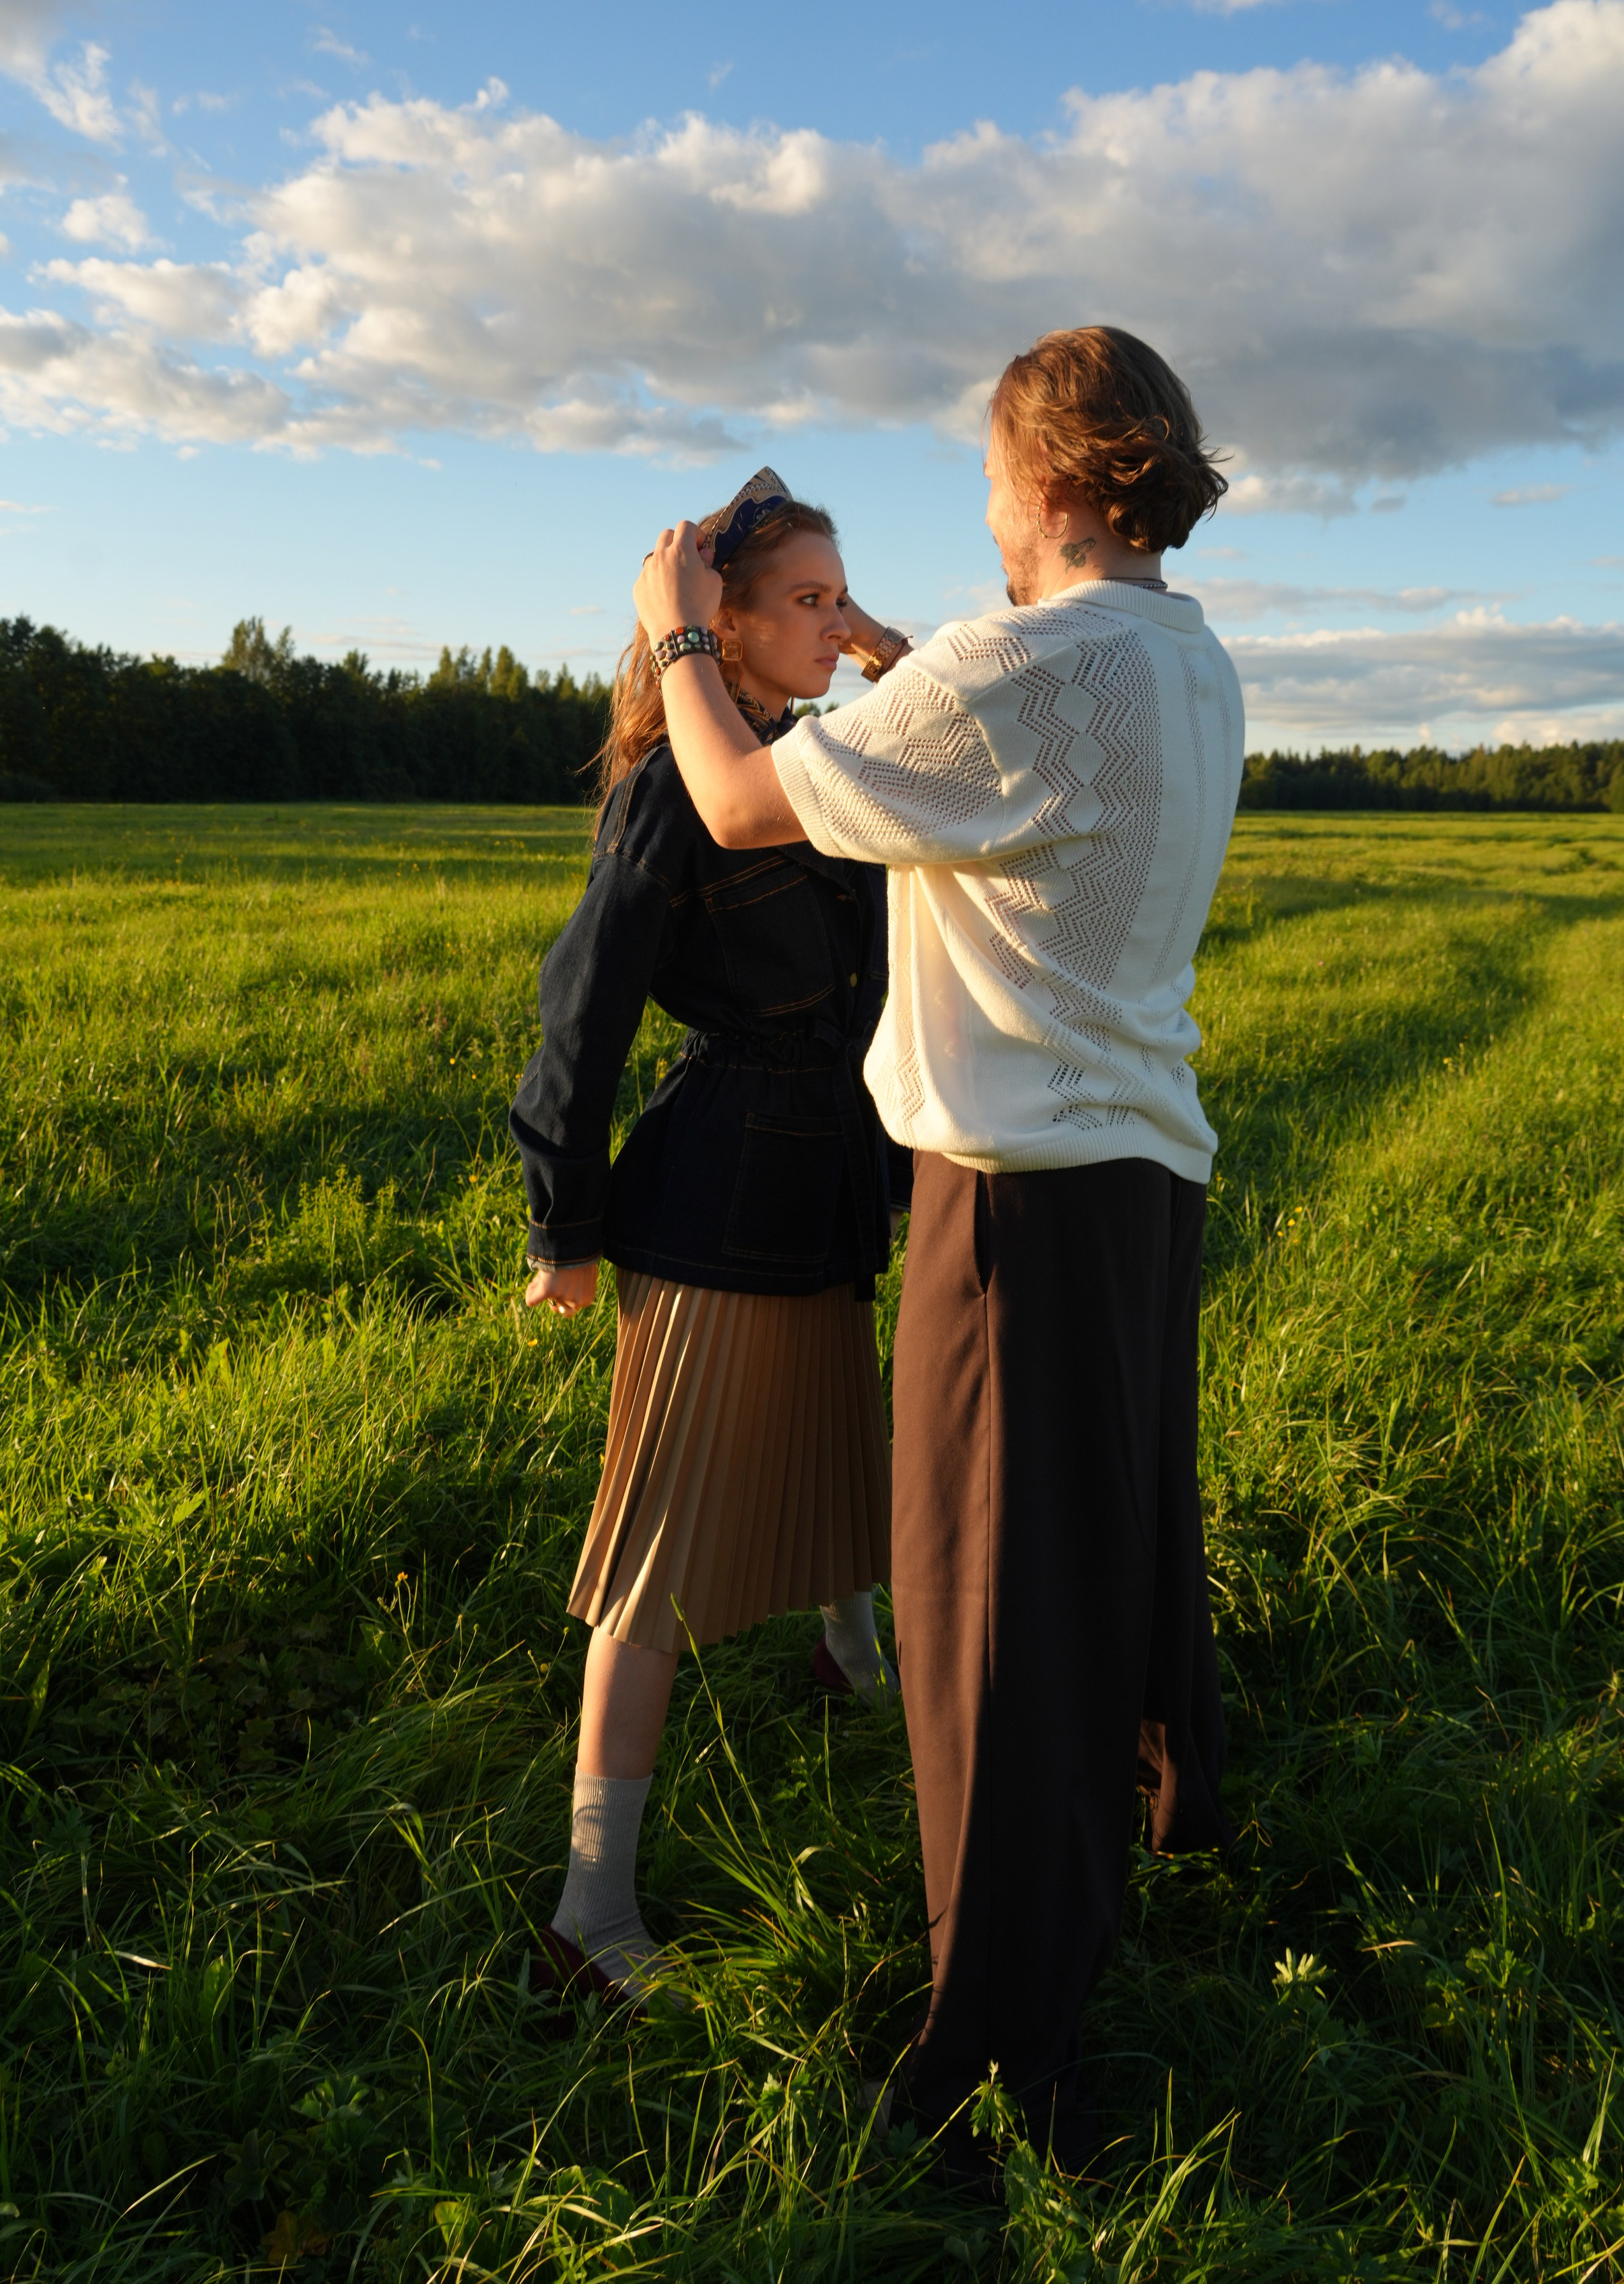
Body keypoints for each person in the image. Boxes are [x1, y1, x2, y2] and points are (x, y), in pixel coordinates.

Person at [632, 328, 1244, 2164]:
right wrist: (909, 672)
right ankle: (1156, 1829)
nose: (980, 512)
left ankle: (994, 2066)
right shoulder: (1184, 659)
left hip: (1015, 1195)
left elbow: (740, 803)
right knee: (1108, 1551)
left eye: (987, 478)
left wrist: (680, 638)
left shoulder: (1017, 667)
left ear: (1048, 483)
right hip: (1139, 1173)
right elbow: (1031, 775)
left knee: (985, 1622)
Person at [511, 469, 915, 2004]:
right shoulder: (673, 793)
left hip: (830, 1185)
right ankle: (589, 1914)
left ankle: (848, 1660)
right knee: (656, 1558)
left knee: (839, 1446)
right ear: (718, 627)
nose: (832, 624)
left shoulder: (820, 766)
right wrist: (564, 1223)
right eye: (804, 601)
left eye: (840, 596)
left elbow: (938, 722)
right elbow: (581, 1011)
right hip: (717, 1200)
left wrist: (867, 640)